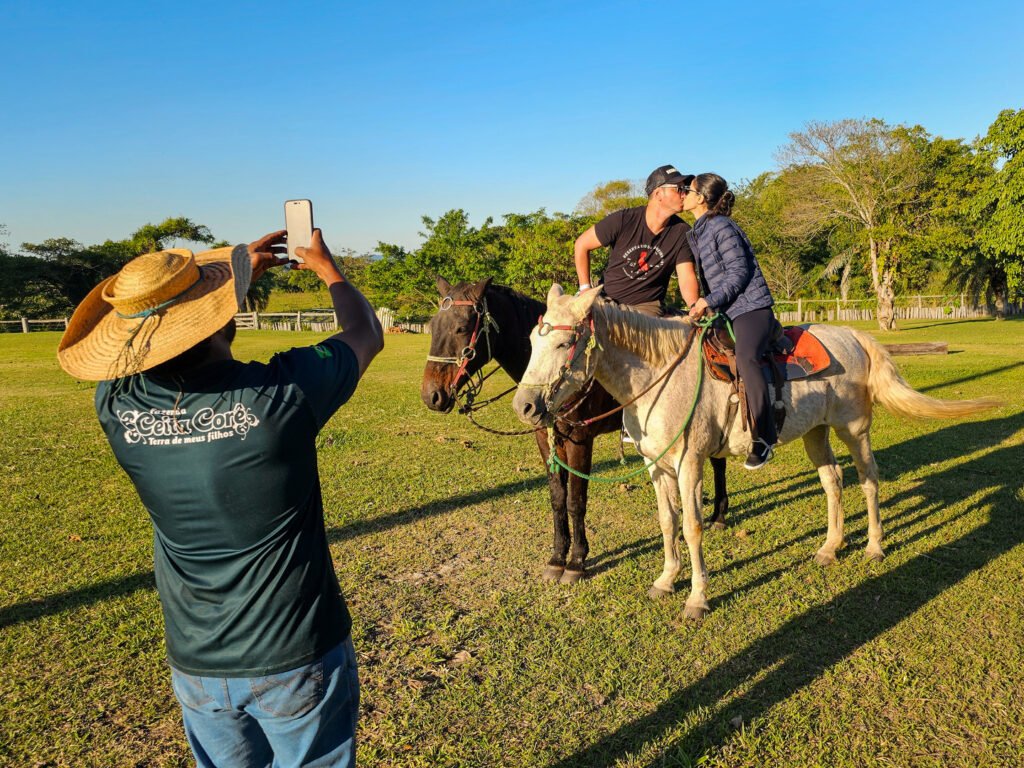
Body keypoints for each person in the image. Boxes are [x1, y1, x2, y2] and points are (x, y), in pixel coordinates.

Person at [57, 228, 384, 767]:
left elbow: (122, 357)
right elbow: (365, 331)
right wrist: (328, 270)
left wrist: (234, 273)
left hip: (196, 661)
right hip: (294, 650)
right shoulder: (284, 395)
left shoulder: (115, 406)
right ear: (223, 317)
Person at [682, 173, 778, 469]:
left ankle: (765, 436)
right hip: (727, 312)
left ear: (700, 198)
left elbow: (739, 273)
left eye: (689, 189)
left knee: (747, 358)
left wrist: (707, 301)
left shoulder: (721, 226)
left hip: (751, 309)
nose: (684, 193)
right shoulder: (699, 230)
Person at [574, 164, 701, 315]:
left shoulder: (682, 232)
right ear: (659, 193)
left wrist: (694, 306)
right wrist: (585, 289)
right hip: (607, 298)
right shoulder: (624, 219)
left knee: (641, 332)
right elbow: (581, 244)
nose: (684, 194)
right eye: (679, 189)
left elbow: (686, 276)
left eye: (685, 189)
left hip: (646, 307)